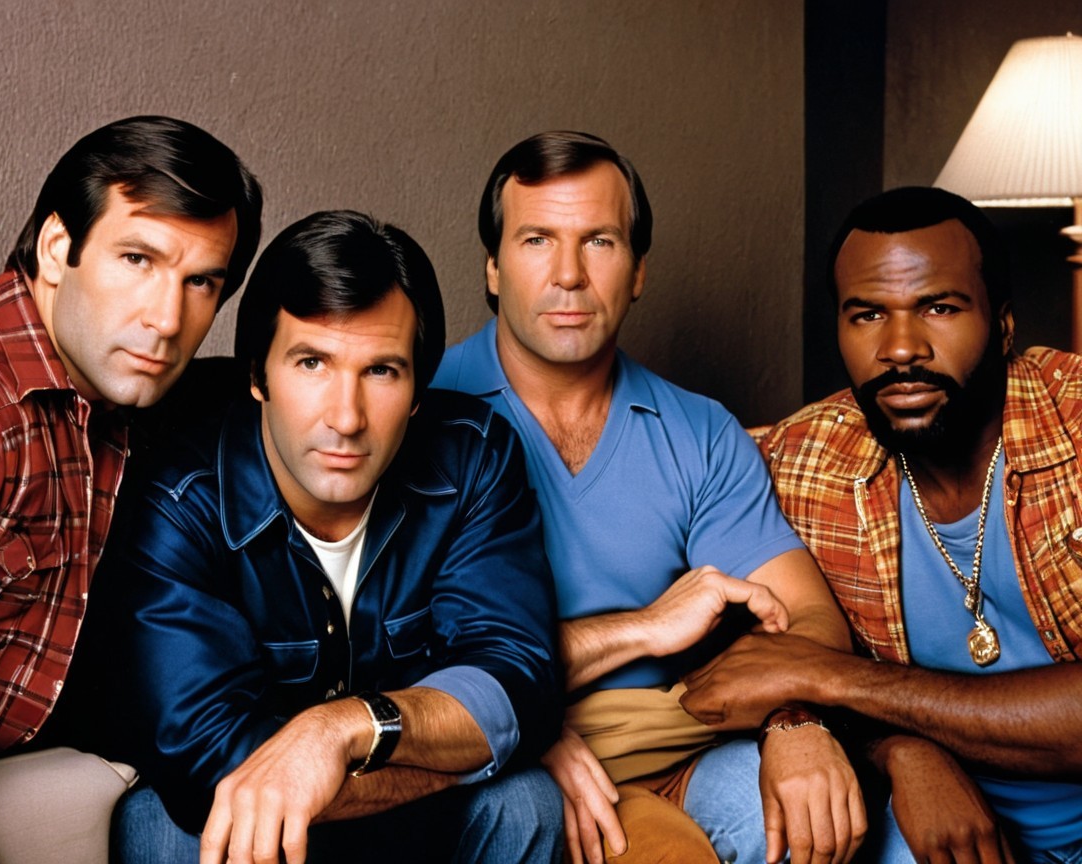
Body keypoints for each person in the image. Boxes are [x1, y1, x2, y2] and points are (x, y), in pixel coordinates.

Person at [432, 130, 864, 864]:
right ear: (494, 268)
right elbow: (398, 661)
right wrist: (632, 638)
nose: (568, 275)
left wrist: (795, 720)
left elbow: (809, 615)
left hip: (677, 739)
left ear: (637, 272)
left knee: (814, 825)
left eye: (599, 241)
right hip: (498, 753)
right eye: (537, 240)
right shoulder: (423, 412)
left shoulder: (696, 429)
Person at [92, 210, 564, 864]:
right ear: (257, 374)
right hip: (263, 830)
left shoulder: (472, 457)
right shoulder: (181, 498)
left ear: (419, 390)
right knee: (162, 824)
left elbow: (515, 680)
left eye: (382, 372)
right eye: (312, 362)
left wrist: (340, 728)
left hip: (411, 825)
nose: (346, 417)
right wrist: (462, 753)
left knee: (525, 801)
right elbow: (210, 761)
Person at [682, 186, 1082, 863]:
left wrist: (835, 680)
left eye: (940, 308)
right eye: (868, 315)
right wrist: (898, 748)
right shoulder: (800, 461)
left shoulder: (1072, 425)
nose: (901, 349)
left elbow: (806, 671)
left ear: (1005, 324)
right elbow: (730, 673)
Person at [0, 115, 262, 863]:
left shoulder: (112, 401)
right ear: (57, 249)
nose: (167, 318)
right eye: (137, 259)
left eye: (200, 281)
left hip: (12, 770)